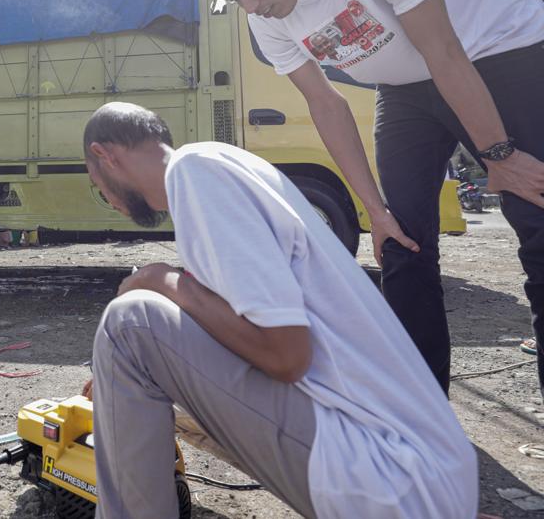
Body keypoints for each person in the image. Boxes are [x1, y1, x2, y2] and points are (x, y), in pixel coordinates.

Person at [200, 0, 544, 394]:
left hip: (500, 51)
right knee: (401, 242)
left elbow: (443, 50)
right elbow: (326, 103)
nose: (249, 8)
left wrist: (501, 155)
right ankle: (423, 425)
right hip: (404, 87)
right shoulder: (268, 16)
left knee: (539, 226)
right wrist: (373, 211)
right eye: (237, 0)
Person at [82, 102, 477, 518]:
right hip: (427, 478)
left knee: (129, 324)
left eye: (97, 183)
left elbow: (286, 356)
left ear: (105, 155)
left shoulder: (195, 171)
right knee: (144, 358)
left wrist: (160, 280)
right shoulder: (226, 165)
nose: (106, 197)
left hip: (393, 477)